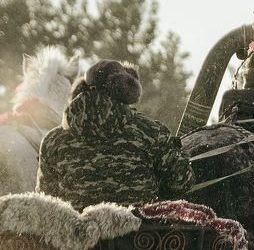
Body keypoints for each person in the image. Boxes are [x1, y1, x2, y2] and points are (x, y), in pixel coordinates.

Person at [36, 59, 193, 209]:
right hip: (139, 234)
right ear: (126, 89)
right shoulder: (151, 132)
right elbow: (182, 182)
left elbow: (45, 199)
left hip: (76, 234)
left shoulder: (52, 141)